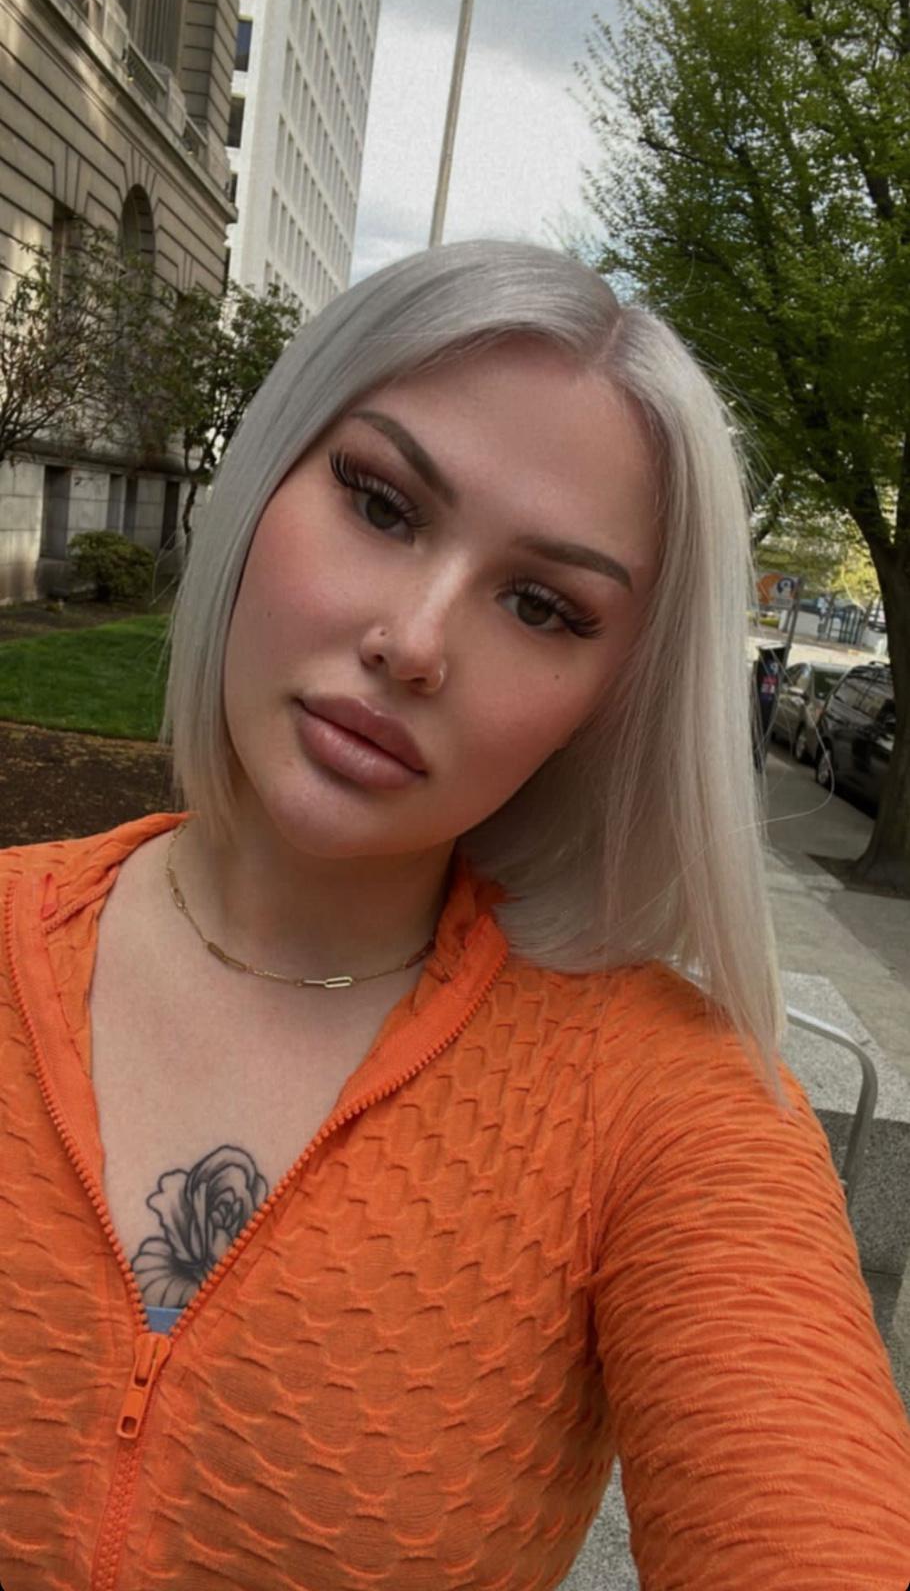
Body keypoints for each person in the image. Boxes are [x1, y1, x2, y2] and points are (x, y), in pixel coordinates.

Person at [1, 240, 907, 1591]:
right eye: (381, 504)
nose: (415, 642)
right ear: (263, 479)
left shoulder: (665, 1108)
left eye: (543, 606)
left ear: (608, 701)